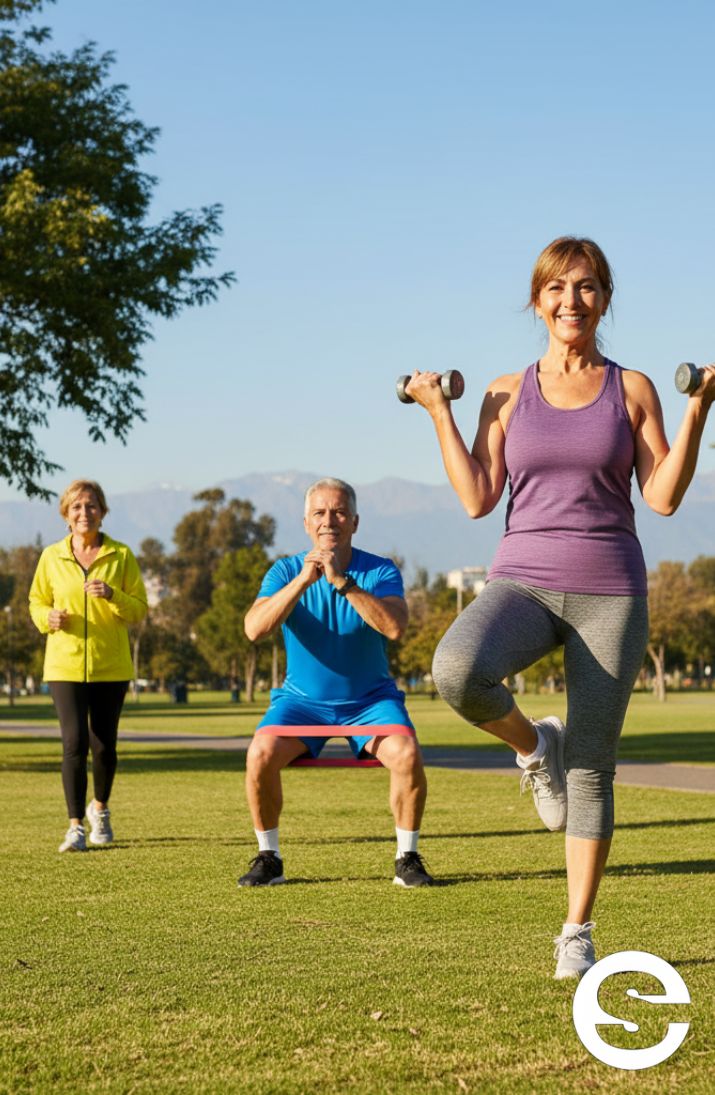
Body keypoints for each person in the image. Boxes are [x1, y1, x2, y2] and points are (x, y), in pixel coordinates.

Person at [404, 237, 715, 978]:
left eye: (585, 288)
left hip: (611, 588)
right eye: (556, 288)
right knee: (456, 669)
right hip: (523, 581)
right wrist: (438, 412)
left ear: (603, 299)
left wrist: (698, 405)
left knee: (594, 768)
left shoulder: (631, 388)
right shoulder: (507, 392)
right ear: (536, 300)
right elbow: (479, 497)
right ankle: (530, 744)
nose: (570, 301)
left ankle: (575, 929)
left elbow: (663, 496)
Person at [239, 477, 433, 888]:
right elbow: (254, 629)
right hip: (302, 703)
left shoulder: (379, 569)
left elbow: (395, 627)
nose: (330, 520)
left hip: (370, 701)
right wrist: (303, 582)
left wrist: (342, 582)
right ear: (307, 522)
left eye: (339, 512)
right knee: (259, 754)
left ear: (355, 521)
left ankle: (407, 858)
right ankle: (268, 857)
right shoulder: (285, 570)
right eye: (321, 513)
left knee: (407, 754)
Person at [29, 480, 148, 852]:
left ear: (103, 511)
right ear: (66, 514)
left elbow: (139, 610)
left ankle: (101, 808)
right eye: (77, 507)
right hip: (63, 666)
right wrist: (47, 617)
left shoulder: (122, 555)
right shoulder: (51, 557)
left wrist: (112, 594)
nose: (85, 513)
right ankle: (75, 827)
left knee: (103, 745)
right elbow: (35, 602)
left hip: (110, 666)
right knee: (73, 743)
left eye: (92, 506)